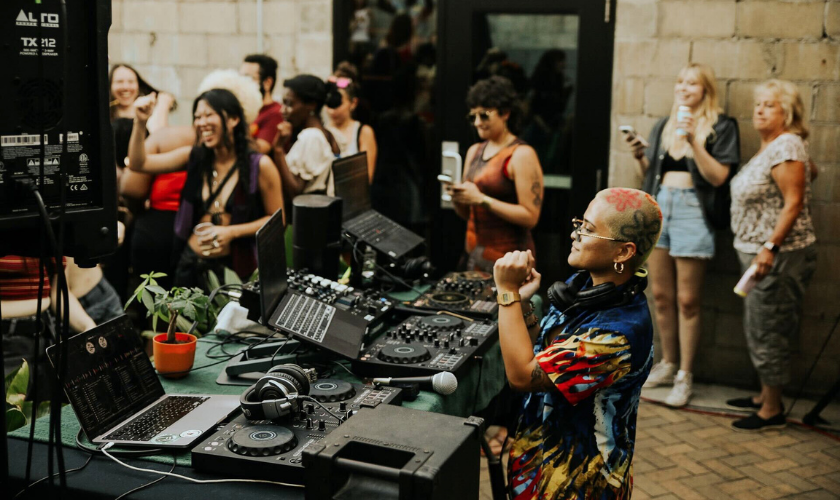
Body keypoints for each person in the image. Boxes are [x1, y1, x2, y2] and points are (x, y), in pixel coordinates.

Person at [493, 187, 662, 499]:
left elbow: (523, 376)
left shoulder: (618, 334)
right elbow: (541, 352)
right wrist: (524, 305)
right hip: (538, 461)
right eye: (579, 223)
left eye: (588, 229)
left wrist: (506, 293)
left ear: (623, 252)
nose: (576, 234)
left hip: (577, 482)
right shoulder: (584, 286)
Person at [625, 63, 740, 407]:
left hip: (693, 211)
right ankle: (667, 362)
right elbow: (652, 177)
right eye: (680, 81)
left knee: (688, 300)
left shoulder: (721, 126)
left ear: (706, 90)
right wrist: (639, 157)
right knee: (659, 295)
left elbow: (719, 177)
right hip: (661, 210)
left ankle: (685, 375)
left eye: (692, 83)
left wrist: (692, 140)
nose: (684, 87)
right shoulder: (663, 124)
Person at [726, 80, 817, 432]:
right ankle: (764, 395)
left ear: (788, 113)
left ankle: (772, 409)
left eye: (769, 105)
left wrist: (769, 248)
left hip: (776, 258)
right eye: (758, 104)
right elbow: (807, 176)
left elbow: (795, 201)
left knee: (769, 329)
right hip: (756, 256)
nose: (759, 110)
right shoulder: (777, 147)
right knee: (759, 325)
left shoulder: (787, 145)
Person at [127, 89, 284, 289]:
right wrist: (140, 123)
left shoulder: (260, 166)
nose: (201, 123)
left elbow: (277, 221)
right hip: (190, 264)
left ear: (234, 119)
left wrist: (231, 233)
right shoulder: (194, 157)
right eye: (197, 117)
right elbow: (138, 163)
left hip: (235, 271)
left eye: (209, 115)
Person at [450, 76, 544, 273]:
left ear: (505, 113)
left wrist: (482, 199)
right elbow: (467, 214)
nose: (477, 123)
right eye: (472, 117)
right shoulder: (474, 150)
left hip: (509, 260)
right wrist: (458, 198)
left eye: (484, 116)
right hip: (473, 255)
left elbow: (530, 217)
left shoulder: (520, 154)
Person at [271, 75, 341, 203]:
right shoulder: (326, 133)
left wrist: (278, 149)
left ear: (311, 105)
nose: (283, 110)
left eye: (289, 104)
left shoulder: (311, 137)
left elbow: (296, 192)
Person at [326, 63, 378, 181]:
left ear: (353, 103)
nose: (332, 110)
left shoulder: (363, 132)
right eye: (329, 103)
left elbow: (367, 177)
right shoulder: (321, 131)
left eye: (338, 103)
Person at [240, 54, 285, 154]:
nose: (241, 83)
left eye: (248, 78)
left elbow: (259, 150)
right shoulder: (246, 110)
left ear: (267, 83)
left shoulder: (275, 113)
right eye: (240, 78)